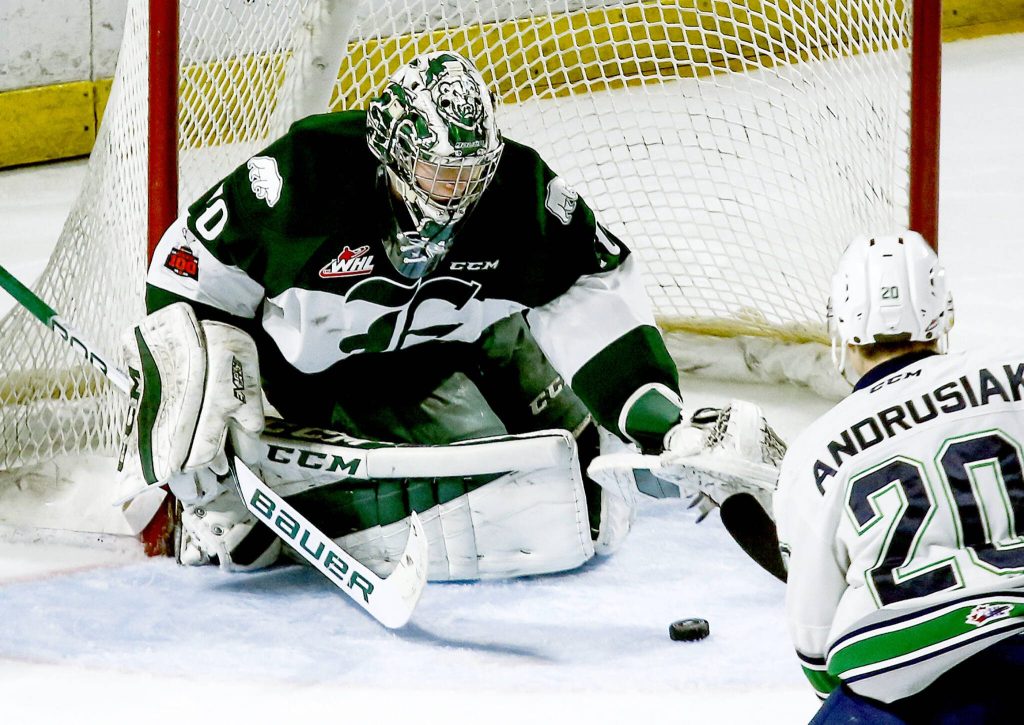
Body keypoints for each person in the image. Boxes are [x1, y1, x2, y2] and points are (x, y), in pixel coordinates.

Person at [121, 50, 700, 580]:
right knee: (517, 495)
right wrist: (200, 402)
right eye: (438, 171)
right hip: (341, 378)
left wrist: (649, 409)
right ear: (392, 153)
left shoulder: (519, 189)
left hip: (470, 342)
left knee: (592, 487)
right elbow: (188, 272)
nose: (457, 190)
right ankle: (264, 502)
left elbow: (590, 279)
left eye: (470, 171)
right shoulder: (306, 178)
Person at [774, 231, 1024, 722]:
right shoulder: (1014, 373)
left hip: (898, 681)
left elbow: (815, 655)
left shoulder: (811, 452)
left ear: (842, 329)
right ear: (942, 314)